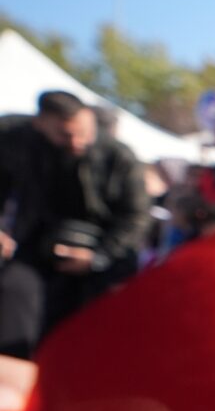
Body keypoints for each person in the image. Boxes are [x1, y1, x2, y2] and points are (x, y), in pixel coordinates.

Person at [0, 90, 148, 358]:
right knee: (14, 296)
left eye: (84, 132)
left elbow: (136, 217)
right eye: (66, 135)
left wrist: (98, 257)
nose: (78, 142)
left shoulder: (119, 157)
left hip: (103, 259)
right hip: (37, 248)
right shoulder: (15, 139)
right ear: (40, 124)